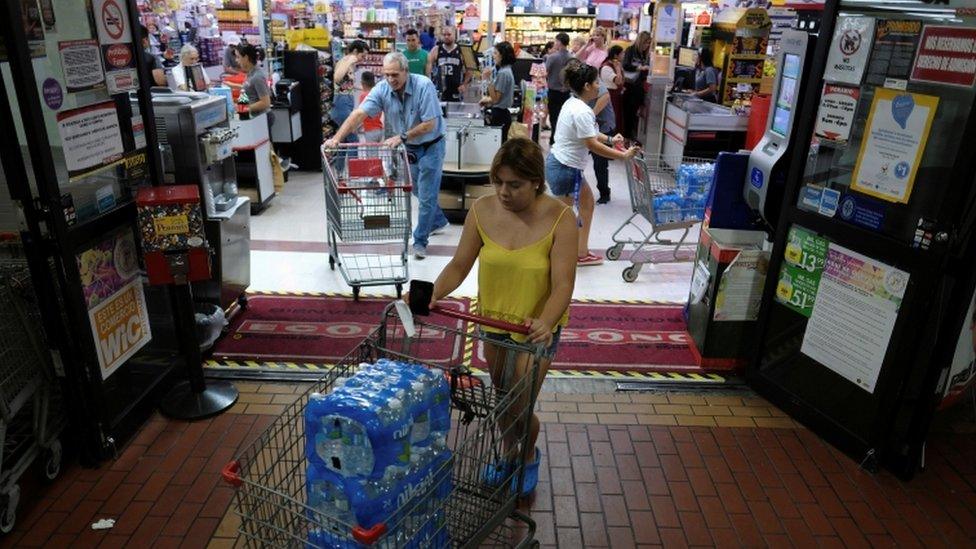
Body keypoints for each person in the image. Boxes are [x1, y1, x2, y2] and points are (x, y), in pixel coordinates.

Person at [410, 138, 577, 496]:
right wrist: (435, 292)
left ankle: (528, 454)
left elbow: (563, 284)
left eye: (514, 184)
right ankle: (507, 452)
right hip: (494, 324)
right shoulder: (482, 211)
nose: (503, 191)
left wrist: (546, 321)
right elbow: (458, 265)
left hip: (535, 330)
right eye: (498, 181)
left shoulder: (561, 217)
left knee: (520, 402)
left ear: (536, 181)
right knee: (500, 398)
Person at [325, 52, 448, 260]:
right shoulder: (382, 89)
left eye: (395, 75)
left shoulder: (423, 86)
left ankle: (420, 241)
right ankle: (437, 220)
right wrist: (336, 139)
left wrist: (402, 136)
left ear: (406, 72)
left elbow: (430, 124)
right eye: (387, 75)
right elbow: (358, 114)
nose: (391, 79)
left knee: (426, 194)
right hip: (409, 147)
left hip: (431, 145)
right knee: (417, 189)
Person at [546, 59, 638, 267]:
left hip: (562, 165)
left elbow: (591, 134)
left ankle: (580, 252)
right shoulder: (582, 111)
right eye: (596, 82)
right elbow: (591, 144)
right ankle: (558, 253)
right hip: (565, 169)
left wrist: (610, 140)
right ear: (587, 86)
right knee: (562, 217)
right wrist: (622, 156)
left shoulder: (573, 103)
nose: (599, 86)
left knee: (584, 206)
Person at [331, 40, 370, 145]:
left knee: (342, 140)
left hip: (345, 102)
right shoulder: (346, 61)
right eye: (362, 55)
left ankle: (342, 162)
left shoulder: (350, 64)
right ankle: (354, 162)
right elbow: (337, 79)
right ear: (356, 51)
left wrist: (362, 88)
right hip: (342, 103)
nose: (363, 59)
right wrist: (351, 59)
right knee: (353, 139)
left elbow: (345, 84)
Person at [479, 41, 516, 142]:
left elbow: (495, 99)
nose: (494, 56)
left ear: (502, 55)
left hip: (500, 116)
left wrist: (488, 79)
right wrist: (487, 100)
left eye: (495, 53)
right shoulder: (506, 70)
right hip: (502, 114)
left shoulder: (503, 73)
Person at [589, 83, 617, 205]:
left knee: (600, 164)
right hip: (589, 127)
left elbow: (605, 96)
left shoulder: (595, 81)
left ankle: (604, 193)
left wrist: (589, 114)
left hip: (603, 127)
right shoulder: (577, 85)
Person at [622, 31, 652, 141]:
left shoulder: (646, 54)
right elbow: (625, 65)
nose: (647, 45)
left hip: (639, 88)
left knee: (635, 114)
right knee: (628, 114)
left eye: (649, 43)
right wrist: (639, 68)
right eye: (646, 43)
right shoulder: (631, 50)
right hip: (629, 86)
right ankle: (626, 137)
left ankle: (631, 137)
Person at [427, 26, 470, 101]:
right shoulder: (436, 49)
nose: (446, 37)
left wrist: (464, 84)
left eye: (449, 34)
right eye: (444, 35)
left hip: (456, 91)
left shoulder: (461, 50)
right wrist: (430, 83)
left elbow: (469, 70)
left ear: (454, 34)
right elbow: (428, 67)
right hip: (440, 91)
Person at [545, 33, 572, 146]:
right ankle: (562, 138)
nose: (555, 43)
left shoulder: (552, 57)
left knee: (554, 115)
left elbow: (545, 72)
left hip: (553, 91)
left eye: (556, 41)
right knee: (564, 116)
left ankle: (554, 137)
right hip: (566, 92)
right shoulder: (571, 57)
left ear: (560, 42)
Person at [235, 43, 272, 119]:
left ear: (245, 57)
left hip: (262, 119)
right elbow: (250, 88)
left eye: (238, 57)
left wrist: (244, 108)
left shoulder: (257, 76)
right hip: (257, 117)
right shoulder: (250, 73)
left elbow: (266, 103)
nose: (236, 60)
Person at [600, 45, 624, 138]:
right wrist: (618, 68)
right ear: (616, 55)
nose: (623, 55)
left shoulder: (613, 65)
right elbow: (618, 81)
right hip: (610, 96)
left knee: (617, 118)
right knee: (612, 119)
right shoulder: (607, 68)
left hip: (615, 95)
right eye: (622, 53)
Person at [358, 71, 384, 143]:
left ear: (362, 83)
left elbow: (361, 114)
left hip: (370, 131)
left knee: (372, 154)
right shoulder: (377, 93)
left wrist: (355, 127)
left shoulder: (363, 96)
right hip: (380, 129)